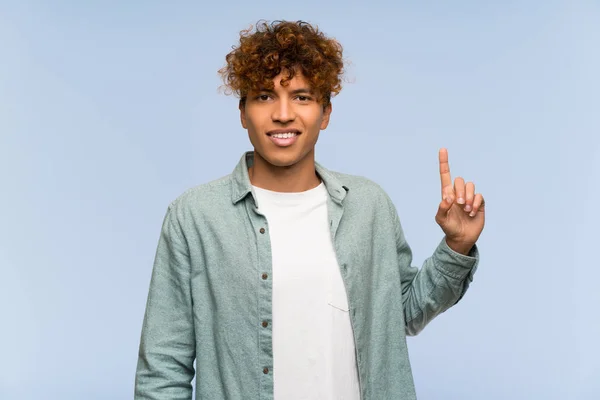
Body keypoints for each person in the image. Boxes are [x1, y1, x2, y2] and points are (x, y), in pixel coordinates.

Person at [134, 20, 485, 400]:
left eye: (301, 97)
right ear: (242, 113)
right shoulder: (195, 217)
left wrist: (456, 247)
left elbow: (400, 314)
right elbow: (164, 366)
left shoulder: (369, 206)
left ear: (326, 113)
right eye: (264, 96)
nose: (283, 114)